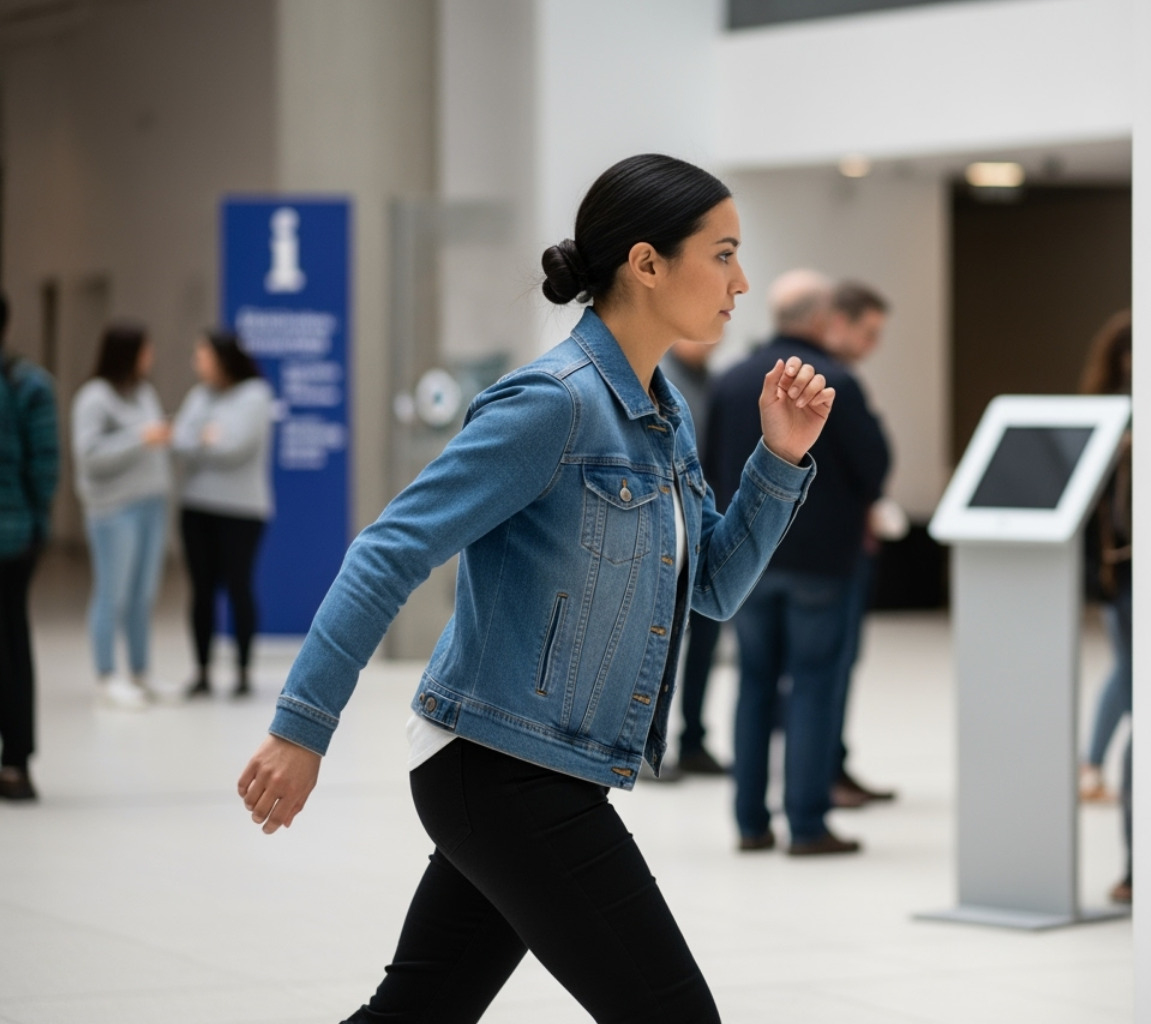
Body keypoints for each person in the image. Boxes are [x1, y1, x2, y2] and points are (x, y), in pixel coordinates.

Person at [236, 153, 836, 1024]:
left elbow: (712, 585)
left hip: (534, 769)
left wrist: (778, 459)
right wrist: (302, 727)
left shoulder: (664, 417)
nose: (742, 281)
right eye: (724, 253)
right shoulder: (550, 404)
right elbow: (388, 550)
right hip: (503, 769)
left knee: (416, 1012)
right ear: (646, 263)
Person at [707, 269, 891, 856]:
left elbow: (709, 466)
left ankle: (750, 821)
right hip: (822, 562)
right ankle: (808, 824)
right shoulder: (836, 381)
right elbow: (874, 466)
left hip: (748, 559)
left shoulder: (732, 380)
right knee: (814, 685)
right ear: (820, 320)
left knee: (754, 683)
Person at [820, 280, 897, 809]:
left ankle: (817, 777)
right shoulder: (839, 384)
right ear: (838, 322)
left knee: (767, 683)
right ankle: (821, 784)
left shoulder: (746, 375)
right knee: (826, 672)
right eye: (868, 332)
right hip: (832, 555)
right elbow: (874, 464)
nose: (873, 345)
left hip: (776, 557)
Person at [71, 322, 172, 710]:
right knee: (112, 592)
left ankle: (141, 671)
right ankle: (106, 674)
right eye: (146, 349)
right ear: (127, 353)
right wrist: (140, 438)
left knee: (143, 594)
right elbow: (90, 456)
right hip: (114, 509)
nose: (151, 357)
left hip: (151, 504)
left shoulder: (143, 391)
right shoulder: (93, 398)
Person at [172, 329, 274, 698]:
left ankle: (243, 671)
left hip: (243, 512)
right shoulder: (199, 396)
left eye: (202, 356)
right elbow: (177, 441)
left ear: (222, 359)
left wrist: (200, 438)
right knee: (200, 591)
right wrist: (204, 437)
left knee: (238, 588)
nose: (197, 364)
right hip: (197, 508)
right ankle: (201, 671)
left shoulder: (256, 395)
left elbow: (235, 447)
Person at [1076, 309, 1133, 903]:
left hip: (1125, 571)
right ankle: (1090, 764)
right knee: (1129, 676)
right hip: (1122, 572)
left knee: (1126, 674)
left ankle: (1089, 764)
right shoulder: (1106, 420)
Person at [0, 295, 60, 801]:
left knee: (11, 645)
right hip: (16, 532)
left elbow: (42, 467)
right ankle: (15, 763)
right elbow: (44, 468)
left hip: (10, 537)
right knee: (13, 647)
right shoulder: (30, 385)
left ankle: (15, 761)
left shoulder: (23, 385)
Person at [660, 339, 729, 776]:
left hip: (701, 519)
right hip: (664, 525)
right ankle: (651, 747)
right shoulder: (659, 379)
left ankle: (693, 741)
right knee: (659, 641)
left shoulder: (714, 381)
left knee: (705, 639)